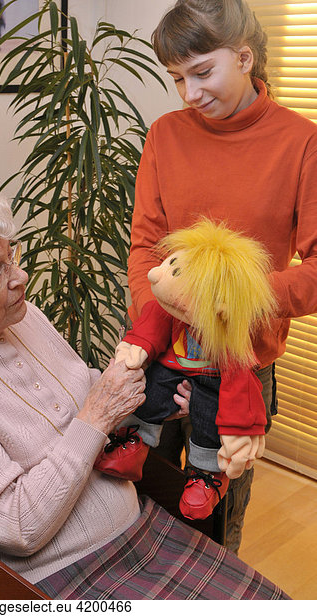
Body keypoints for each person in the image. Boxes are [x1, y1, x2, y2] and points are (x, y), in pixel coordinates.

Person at [0, 182, 288, 600]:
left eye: (12, 255)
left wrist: (157, 401)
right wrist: (95, 415)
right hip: (66, 574)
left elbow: (84, 386)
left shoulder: (24, 318)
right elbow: (17, 527)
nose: (21, 276)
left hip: (139, 520)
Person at [127, 0, 317, 553]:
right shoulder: (165, 135)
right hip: (158, 353)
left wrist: (225, 303)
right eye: (177, 78)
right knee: (141, 511)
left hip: (240, 367)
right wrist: (160, 321)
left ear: (244, 56)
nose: (189, 94)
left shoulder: (301, 143)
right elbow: (144, 246)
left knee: (211, 534)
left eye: (203, 72)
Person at [95, 219, 276, 520]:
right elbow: (152, 320)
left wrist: (241, 432)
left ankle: (207, 474)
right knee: (150, 385)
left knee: (211, 412)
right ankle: (134, 439)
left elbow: (241, 390)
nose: (157, 275)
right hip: (171, 365)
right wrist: (135, 345)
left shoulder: (229, 339)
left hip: (211, 378)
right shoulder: (169, 311)